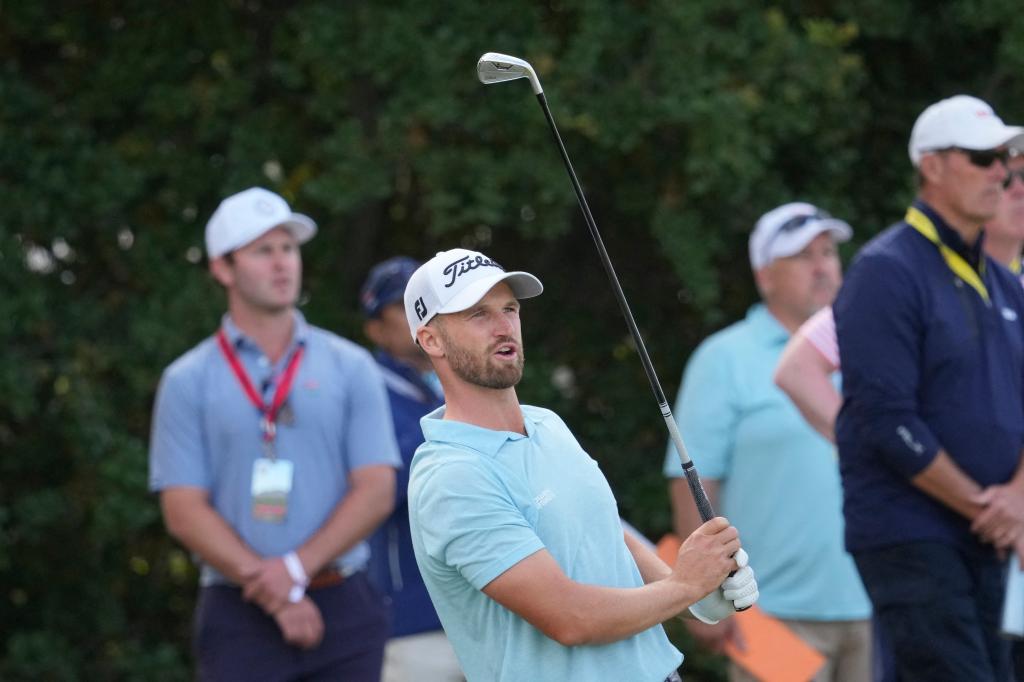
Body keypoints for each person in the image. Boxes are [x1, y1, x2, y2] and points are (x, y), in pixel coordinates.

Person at [402, 248, 759, 682]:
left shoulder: (546, 423)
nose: (503, 327)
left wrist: (695, 596)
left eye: (510, 309)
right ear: (431, 340)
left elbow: (610, 537)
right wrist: (682, 586)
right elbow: (570, 619)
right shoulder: (451, 477)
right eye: (478, 315)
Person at [149, 186, 401, 681]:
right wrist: (276, 590)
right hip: (237, 611)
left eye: (288, 248)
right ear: (223, 268)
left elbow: (376, 489)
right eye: (263, 251)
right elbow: (182, 509)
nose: (282, 263)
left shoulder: (351, 366)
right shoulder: (187, 379)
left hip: (345, 602)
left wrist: (293, 571)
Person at [834, 95, 1024, 681]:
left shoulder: (1003, 282)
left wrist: (1015, 496)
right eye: (983, 157)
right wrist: (986, 506)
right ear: (932, 166)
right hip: (910, 533)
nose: (1003, 171)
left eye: (1006, 157)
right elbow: (886, 420)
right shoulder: (885, 271)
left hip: (989, 535)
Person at [664, 203, 873, 681]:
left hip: (877, 604)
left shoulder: (872, 345)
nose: (822, 266)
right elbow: (692, 489)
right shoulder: (723, 359)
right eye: (802, 257)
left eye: (828, 252)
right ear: (764, 275)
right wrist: (704, 593)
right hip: (773, 617)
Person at [775, 149, 1024, 444]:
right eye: (1007, 179)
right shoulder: (911, 279)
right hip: (945, 486)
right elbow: (797, 369)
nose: (1019, 189)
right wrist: (883, 453)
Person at [359, 256, 462, 681]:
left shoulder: (458, 378)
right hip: (411, 616)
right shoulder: (365, 387)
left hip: (484, 604)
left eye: (423, 302)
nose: (417, 315)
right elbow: (384, 485)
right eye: (399, 308)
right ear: (375, 329)